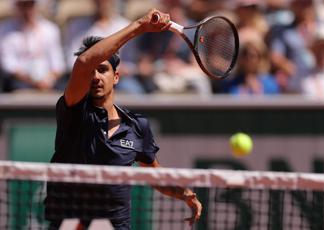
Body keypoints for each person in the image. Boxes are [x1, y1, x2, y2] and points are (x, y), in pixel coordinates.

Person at [44, 9, 202, 230]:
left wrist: (183, 193)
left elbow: (154, 173)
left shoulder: (136, 126)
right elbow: (84, 63)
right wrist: (139, 26)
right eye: (92, 71)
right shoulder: (74, 110)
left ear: (116, 77)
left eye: (102, 70)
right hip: (69, 224)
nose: (95, 76)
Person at [0, 0, 65, 92]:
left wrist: (48, 80)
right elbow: (8, 64)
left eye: (30, 4)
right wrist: (31, 80)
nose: (27, 9)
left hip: (48, 83)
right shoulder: (5, 29)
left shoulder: (50, 29)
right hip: (17, 83)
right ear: (17, 7)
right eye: (23, 5)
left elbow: (57, 63)